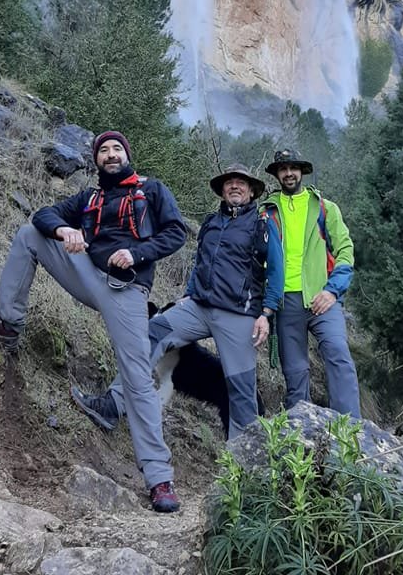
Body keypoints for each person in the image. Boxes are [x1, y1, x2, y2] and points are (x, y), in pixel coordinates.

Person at [0, 130, 187, 513]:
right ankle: (9, 322)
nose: (111, 154)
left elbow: (176, 233)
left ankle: (159, 478)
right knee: (30, 234)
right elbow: (43, 214)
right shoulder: (91, 197)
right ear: (96, 159)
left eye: (118, 148)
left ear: (127, 155)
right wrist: (65, 229)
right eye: (104, 150)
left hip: (126, 288)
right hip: (87, 274)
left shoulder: (151, 191)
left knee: (135, 375)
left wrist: (135, 253)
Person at [72, 163, 284, 439]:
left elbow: (277, 272)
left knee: (241, 391)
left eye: (241, 183)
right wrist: (188, 294)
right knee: (149, 333)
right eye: (229, 182)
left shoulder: (262, 224)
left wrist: (266, 313)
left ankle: (241, 470)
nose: (235, 186)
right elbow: (200, 264)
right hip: (198, 307)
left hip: (239, 314)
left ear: (252, 191)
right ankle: (112, 405)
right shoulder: (211, 223)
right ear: (221, 189)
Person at [261, 148, 361, 418]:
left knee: (338, 354)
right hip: (285, 302)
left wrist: (332, 290)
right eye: (283, 168)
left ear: (302, 171)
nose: (289, 173)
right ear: (277, 174)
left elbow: (346, 251)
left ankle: (351, 432)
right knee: (295, 372)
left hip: (323, 299)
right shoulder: (266, 212)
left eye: (293, 168)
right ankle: (300, 436)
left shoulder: (326, 208)